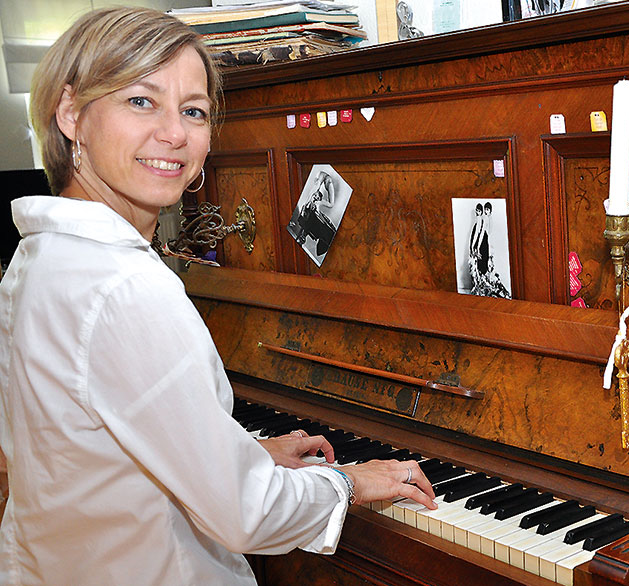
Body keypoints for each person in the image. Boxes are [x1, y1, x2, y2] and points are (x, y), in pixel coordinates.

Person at [0, 8, 435, 586]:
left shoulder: (41, 257)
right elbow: (245, 513)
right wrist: (354, 481)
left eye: (194, 111)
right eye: (141, 101)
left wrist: (242, 452)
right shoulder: (127, 286)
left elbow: (116, 434)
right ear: (72, 113)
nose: (175, 134)